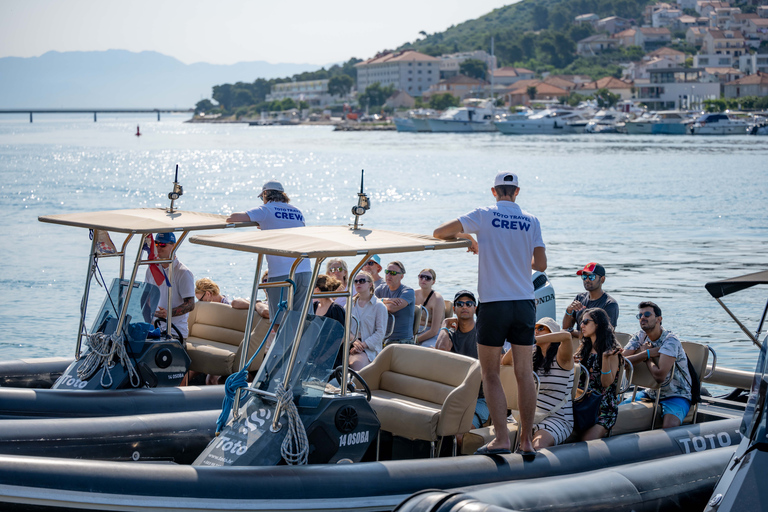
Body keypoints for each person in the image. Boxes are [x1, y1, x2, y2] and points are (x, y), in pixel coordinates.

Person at [434, 170, 547, 458]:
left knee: (491, 373)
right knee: (524, 374)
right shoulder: (531, 220)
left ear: (494, 191)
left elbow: (440, 232)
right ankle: (526, 442)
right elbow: (541, 264)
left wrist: (471, 238)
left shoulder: (484, 214)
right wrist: (517, 255)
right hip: (524, 303)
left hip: (495, 304)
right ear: (517, 192)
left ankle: (500, 439)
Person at [226, 180, 311, 324]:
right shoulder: (297, 211)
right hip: (304, 270)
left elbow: (232, 218)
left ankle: (284, 347)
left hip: (282, 274)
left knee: (279, 322)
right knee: (302, 321)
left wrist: (260, 221)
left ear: (265, 194)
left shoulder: (266, 210)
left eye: (262, 197)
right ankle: (300, 347)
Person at [501, 317, 575, 449]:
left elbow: (566, 336)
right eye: (534, 329)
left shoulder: (562, 357)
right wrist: (522, 342)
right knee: (498, 436)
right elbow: (506, 362)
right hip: (529, 416)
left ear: (552, 333)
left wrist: (532, 340)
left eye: (541, 328)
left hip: (556, 417)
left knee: (537, 446)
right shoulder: (533, 356)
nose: (536, 331)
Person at [621, 301, 692, 429]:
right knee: (619, 411)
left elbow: (660, 376)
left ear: (659, 319)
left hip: (676, 394)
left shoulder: (670, 340)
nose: (643, 318)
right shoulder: (640, 336)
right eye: (640, 315)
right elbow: (621, 362)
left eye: (647, 314)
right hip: (651, 392)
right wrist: (646, 354)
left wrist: (647, 357)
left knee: (669, 427)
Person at [435, 290, 489, 430]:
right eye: (460, 304)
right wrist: (444, 326)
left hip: (480, 398)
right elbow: (440, 352)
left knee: (460, 434)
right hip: (452, 395)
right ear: (454, 309)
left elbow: (495, 367)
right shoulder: (451, 335)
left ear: (475, 308)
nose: (464, 306)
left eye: (469, 303)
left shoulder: (484, 334)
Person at [574, 308, 622, 441]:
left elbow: (606, 383)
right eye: (581, 322)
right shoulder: (584, 347)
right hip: (582, 403)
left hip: (602, 408)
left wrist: (605, 359)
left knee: (585, 440)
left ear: (598, 324)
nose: (581, 325)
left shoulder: (611, 351)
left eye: (585, 322)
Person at [146, 232, 195, 340]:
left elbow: (190, 304)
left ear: (174, 246)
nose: (158, 247)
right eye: (157, 244)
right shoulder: (152, 269)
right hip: (155, 329)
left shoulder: (182, 272)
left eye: (163, 245)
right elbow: (146, 297)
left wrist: (168, 313)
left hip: (175, 333)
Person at [349, 271, 388, 371]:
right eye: (355, 281)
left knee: (356, 364)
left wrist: (362, 345)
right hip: (350, 343)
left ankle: (356, 386)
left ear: (370, 284)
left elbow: (380, 333)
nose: (358, 283)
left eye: (362, 281)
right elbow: (345, 328)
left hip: (368, 348)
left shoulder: (379, 306)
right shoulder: (348, 305)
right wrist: (354, 340)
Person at [562, 263, 619, 331]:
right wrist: (569, 311)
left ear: (602, 279)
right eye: (584, 277)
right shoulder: (579, 298)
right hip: (579, 340)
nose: (587, 280)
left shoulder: (610, 304)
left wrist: (572, 332)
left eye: (591, 277)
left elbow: (606, 335)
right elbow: (565, 329)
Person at [374, 261, 415, 345]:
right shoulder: (380, 289)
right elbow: (369, 303)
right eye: (387, 272)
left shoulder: (408, 292)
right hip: (380, 338)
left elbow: (391, 308)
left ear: (401, 276)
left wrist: (377, 302)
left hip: (402, 340)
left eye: (393, 273)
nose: (389, 276)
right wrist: (385, 300)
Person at [195, 278, 269, 318]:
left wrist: (257, 304)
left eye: (200, 299)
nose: (200, 302)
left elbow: (235, 303)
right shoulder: (209, 310)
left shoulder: (229, 304)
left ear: (208, 294)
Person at [414, 268, 445, 348]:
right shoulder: (413, 294)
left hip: (431, 334)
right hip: (415, 331)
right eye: (421, 277)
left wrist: (415, 340)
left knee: (425, 349)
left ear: (433, 282)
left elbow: (434, 330)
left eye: (428, 278)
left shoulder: (437, 299)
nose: (423, 279)